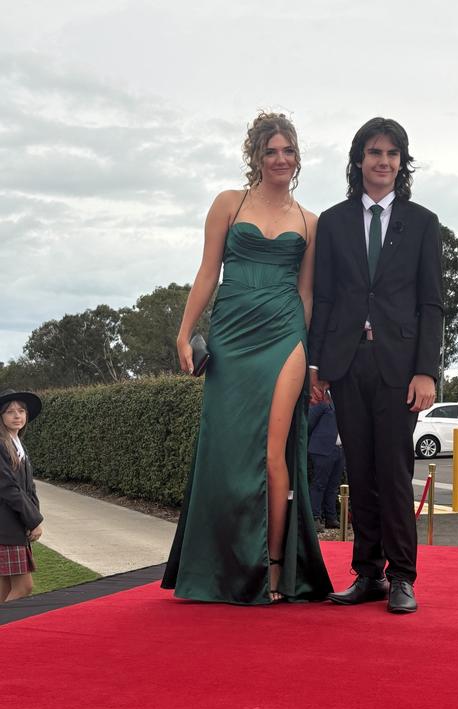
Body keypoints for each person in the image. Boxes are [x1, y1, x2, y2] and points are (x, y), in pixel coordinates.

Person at [162, 112, 332, 604]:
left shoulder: (310, 222)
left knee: (273, 451)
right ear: (256, 157)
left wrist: (308, 352)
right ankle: (219, 567)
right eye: (271, 151)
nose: (280, 159)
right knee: (226, 451)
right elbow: (207, 272)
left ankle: (274, 566)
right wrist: (184, 333)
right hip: (231, 337)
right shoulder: (228, 204)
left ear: (298, 158)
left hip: (285, 336)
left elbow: (307, 294)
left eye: (288, 151)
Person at [309, 117, 444, 614]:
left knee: (393, 470)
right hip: (346, 364)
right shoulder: (334, 221)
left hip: (399, 367)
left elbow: (431, 303)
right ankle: (367, 573)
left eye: (391, 154)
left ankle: (403, 575)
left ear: (401, 163)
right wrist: (316, 365)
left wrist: (426, 371)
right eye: (373, 153)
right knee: (358, 471)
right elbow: (323, 298)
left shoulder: (423, 222)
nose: (382, 161)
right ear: (358, 160)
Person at [0, 388, 44, 602]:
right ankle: (8, 633)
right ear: (1, 416)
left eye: (21, 411)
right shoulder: (1, 445)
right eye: (10, 411)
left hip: (15, 523)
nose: (17, 416)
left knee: (5, 587)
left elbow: (29, 487)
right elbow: (8, 488)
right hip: (5, 525)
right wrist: (33, 521)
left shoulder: (18, 445)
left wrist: (33, 516)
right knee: (23, 587)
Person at [308, 393, 344, 530]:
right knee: (319, 484)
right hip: (323, 449)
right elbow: (310, 422)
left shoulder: (345, 402)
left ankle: (331, 518)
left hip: (340, 450)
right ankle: (314, 517)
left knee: (333, 486)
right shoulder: (323, 401)